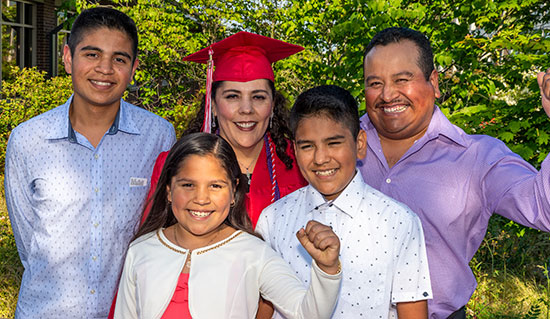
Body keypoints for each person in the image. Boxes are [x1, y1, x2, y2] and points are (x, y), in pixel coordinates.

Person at [358, 26, 550, 318]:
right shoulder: (336, 145)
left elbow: (544, 210)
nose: (387, 94)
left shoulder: (477, 158)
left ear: (433, 81)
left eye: (402, 79)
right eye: (375, 83)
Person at [4, 7, 176, 318]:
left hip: (128, 311)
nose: (105, 69)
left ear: (134, 67)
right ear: (68, 58)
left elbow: (161, 225)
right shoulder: (28, 139)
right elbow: (29, 244)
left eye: (119, 59)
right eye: (92, 54)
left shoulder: (158, 136)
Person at [114, 132, 342, 318]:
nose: (201, 199)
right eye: (187, 185)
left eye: (215, 186)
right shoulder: (141, 250)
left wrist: (327, 269)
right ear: (168, 190)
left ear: (234, 192)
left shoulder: (254, 253)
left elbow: (308, 314)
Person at [256, 85, 432, 318]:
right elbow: (264, 307)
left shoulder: (398, 222)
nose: (320, 158)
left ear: (359, 144)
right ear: (295, 150)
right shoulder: (273, 219)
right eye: (307, 146)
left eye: (334, 143)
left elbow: (412, 312)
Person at [144, 31, 307, 227]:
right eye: (232, 96)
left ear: (272, 105)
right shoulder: (174, 164)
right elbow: (153, 241)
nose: (246, 109)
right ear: (212, 105)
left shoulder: (301, 162)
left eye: (258, 97)